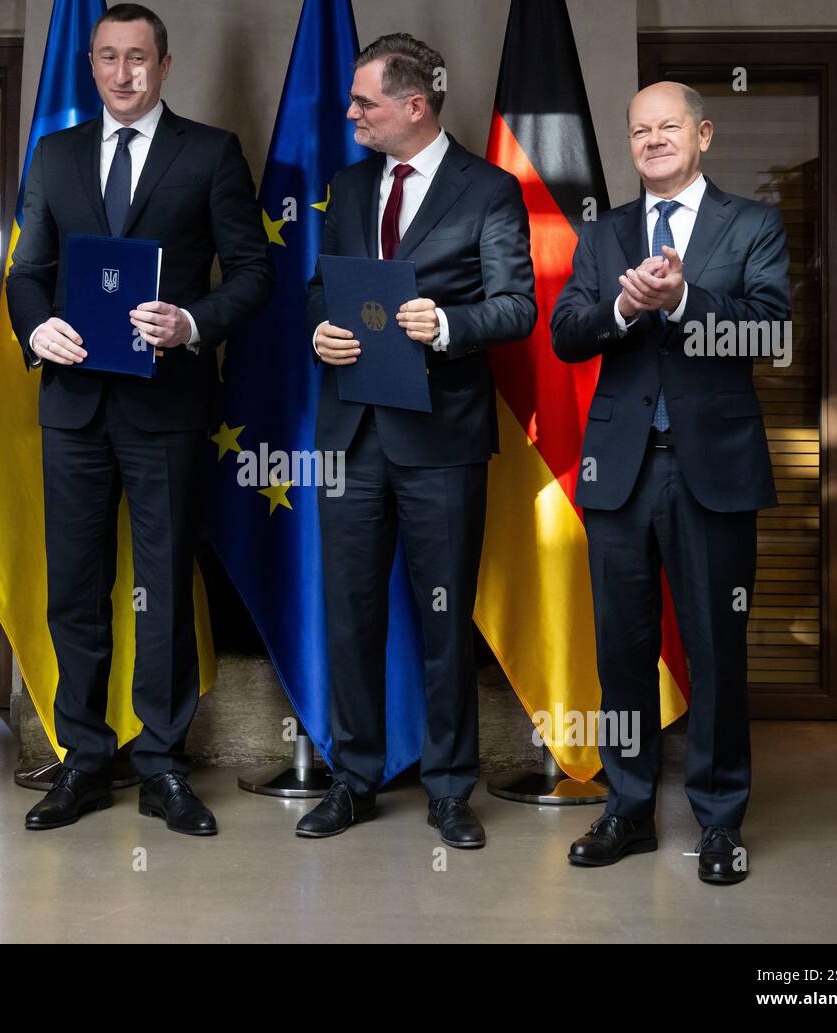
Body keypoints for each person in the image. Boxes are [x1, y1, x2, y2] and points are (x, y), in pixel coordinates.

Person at [7, 3, 272, 835]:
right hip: (74, 404)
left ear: (165, 65)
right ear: (92, 64)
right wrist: (34, 323)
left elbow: (254, 272)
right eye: (108, 57)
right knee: (74, 589)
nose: (122, 73)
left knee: (160, 587)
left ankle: (162, 764)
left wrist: (193, 322)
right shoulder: (54, 154)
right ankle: (83, 759)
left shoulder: (211, 153)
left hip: (166, 404)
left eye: (138, 58)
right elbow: (28, 272)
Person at [300, 33, 536, 848]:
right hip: (352, 433)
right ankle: (354, 779)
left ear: (414, 105)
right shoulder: (349, 181)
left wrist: (446, 325)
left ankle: (447, 789)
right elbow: (318, 289)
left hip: (441, 440)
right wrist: (322, 330)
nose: (352, 114)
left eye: (364, 102)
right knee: (350, 616)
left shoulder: (491, 190)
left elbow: (517, 308)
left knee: (443, 621)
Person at [552, 82, 790, 884]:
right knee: (622, 651)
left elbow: (767, 327)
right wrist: (621, 307)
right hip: (617, 473)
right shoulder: (605, 232)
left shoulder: (751, 224)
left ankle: (720, 822)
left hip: (714, 471)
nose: (652, 139)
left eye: (668, 126)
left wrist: (686, 298)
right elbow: (564, 335)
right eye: (639, 130)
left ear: (704, 133)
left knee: (717, 649)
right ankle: (627, 806)